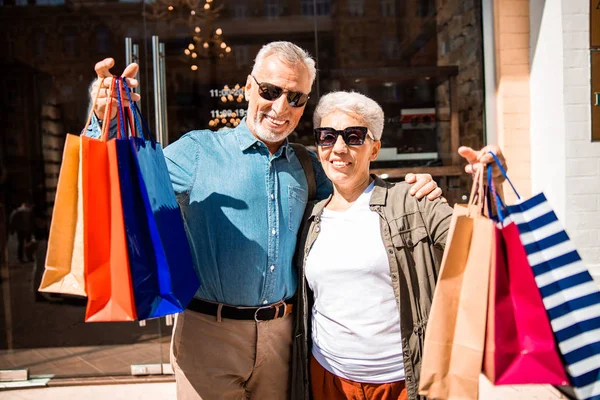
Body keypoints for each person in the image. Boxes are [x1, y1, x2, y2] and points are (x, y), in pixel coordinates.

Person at [86, 42, 442, 399]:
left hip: (284, 339)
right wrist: (104, 120)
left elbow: (355, 183)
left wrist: (409, 188)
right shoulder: (198, 151)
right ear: (248, 87)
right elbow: (121, 186)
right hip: (209, 334)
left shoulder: (308, 165)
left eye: (296, 98)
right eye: (270, 91)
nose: (280, 107)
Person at [292, 91, 507, 400]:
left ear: (374, 149)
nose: (339, 148)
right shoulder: (309, 217)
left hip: (403, 381)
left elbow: (484, 251)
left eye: (353, 136)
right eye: (327, 137)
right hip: (328, 378)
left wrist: (491, 187)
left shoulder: (414, 202)